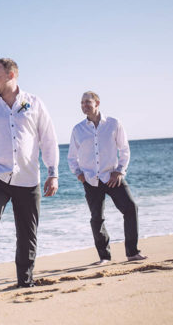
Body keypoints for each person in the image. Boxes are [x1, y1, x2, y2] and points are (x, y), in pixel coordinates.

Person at [0, 58, 59, 303]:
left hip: (28, 179)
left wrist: (53, 172)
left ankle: (25, 281)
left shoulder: (34, 103)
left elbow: (48, 139)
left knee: (28, 232)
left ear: (12, 74)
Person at [67, 91, 146, 264]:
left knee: (131, 208)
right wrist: (79, 174)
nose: (84, 105)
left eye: (87, 102)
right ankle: (104, 257)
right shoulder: (78, 129)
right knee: (97, 218)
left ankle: (132, 252)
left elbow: (124, 149)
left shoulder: (113, 123)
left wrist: (119, 171)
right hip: (91, 181)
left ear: (97, 103)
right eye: (82, 103)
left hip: (112, 178)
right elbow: (72, 157)